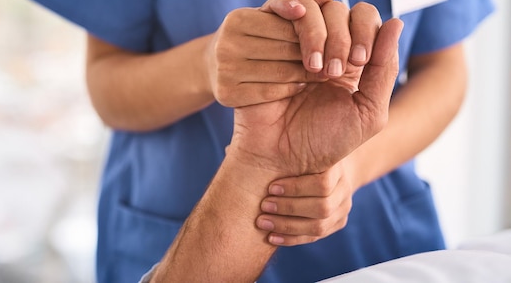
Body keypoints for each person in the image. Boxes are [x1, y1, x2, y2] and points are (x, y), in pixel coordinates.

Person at [9, 0, 494, 281]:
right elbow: (107, 88)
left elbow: (445, 71)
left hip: (373, 234)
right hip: (183, 231)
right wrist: (205, 65)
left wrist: (349, 169)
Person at [145, 15, 404, 282]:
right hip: (182, 207)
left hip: (382, 230)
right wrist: (204, 63)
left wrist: (353, 162)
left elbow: (443, 66)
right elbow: (104, 76)